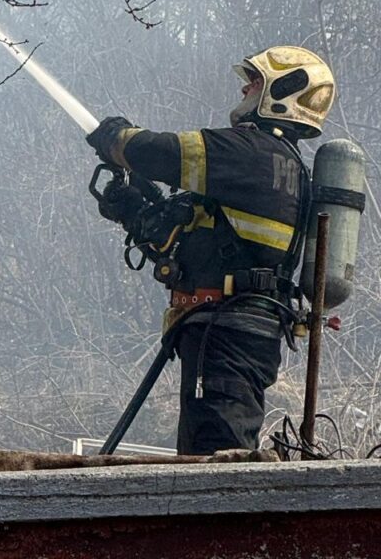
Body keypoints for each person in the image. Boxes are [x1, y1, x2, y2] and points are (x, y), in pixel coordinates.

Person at [87, 46, 335, 455]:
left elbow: (158, 152)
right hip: (236, 331)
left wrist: (116, 137)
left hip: (223, 334)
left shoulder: (247, 153)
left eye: (254, 81)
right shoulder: (285, 168)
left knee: (215, 467)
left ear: (280, 92)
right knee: (208, 461)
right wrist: (137, 212)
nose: (244, 87)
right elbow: (203, 245)